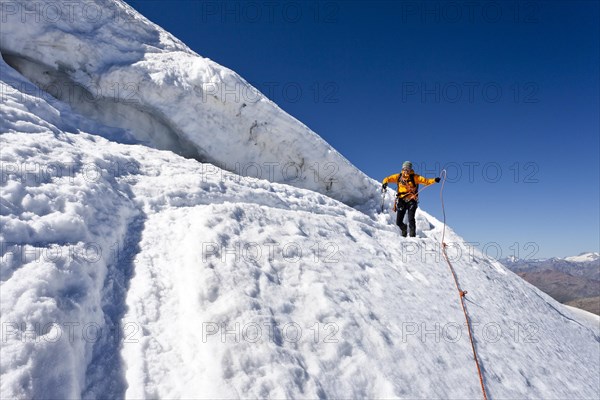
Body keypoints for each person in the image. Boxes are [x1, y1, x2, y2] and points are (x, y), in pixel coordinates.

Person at [382, 161, 441, 237]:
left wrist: (434, 180)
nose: (406, 170)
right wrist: (384, 183)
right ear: (402, 168)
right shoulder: (398, 177)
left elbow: (426, 181)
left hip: (412, 200)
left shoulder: (415, 177)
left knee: (411, 219)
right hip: (401, 200)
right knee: (398, 222)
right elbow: (387, 178)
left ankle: (413, 237)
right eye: (405, 168)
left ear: (410, 169)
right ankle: (404, 228)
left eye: (408, 168)